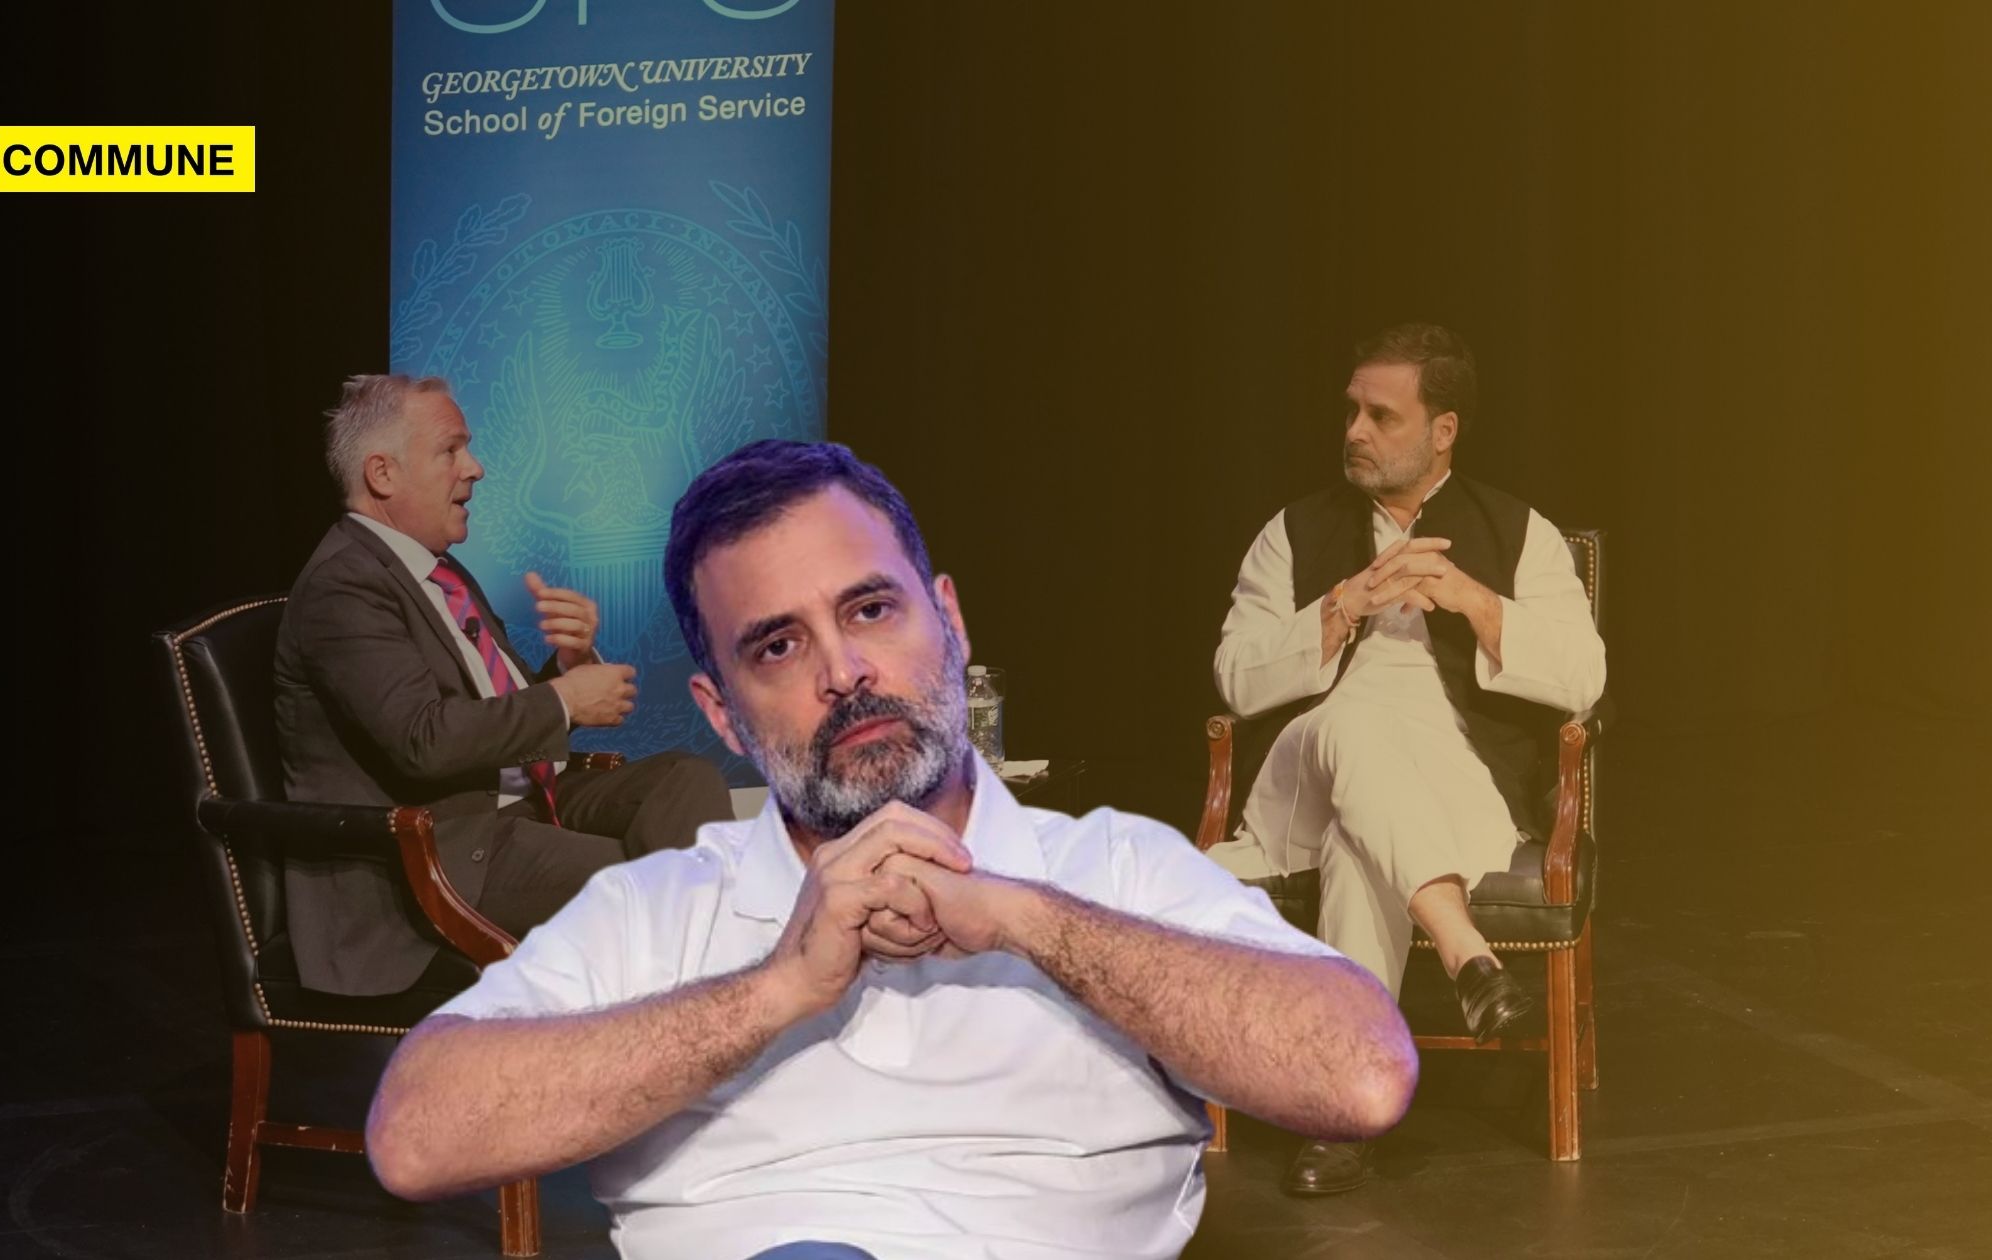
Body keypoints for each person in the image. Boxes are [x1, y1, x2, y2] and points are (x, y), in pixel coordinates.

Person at [364, 439, 1418, 1260]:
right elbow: (416, 1137)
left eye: (870, 609)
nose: (844, 672)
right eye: (778, 646)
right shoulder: (657, 911)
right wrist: (776, 989)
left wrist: (1021, 916)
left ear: (948, 620)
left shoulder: (1114, 872)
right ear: (722, 713)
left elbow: (1362, 1075)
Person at [1208, 324, 1607, 1194]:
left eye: (1381, 416)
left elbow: (1584, 680)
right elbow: (1236, 678)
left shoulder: (1520, 533)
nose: (1354, 430)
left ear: (1443, 430)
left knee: (1363, 844)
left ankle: (1345, 1112)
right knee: (1352, 727)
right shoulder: (1293, 533)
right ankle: (1467, 952)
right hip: (1305, 778)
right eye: (1351, 411)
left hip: (1453, 780)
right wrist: (1344, 605)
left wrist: (1472, 600)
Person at [272, 374, 732, 998]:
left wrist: (567, 666)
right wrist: (565, 701)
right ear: (382, 473)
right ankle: (708, 1013)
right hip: (442, 849)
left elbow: (489, 712)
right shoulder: (344, 586)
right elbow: (425, 740)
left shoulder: (438, 572)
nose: (476, 468)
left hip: (518, 803)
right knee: (647, 890)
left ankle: (701, 998)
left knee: (685, 781)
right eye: (451, 450)